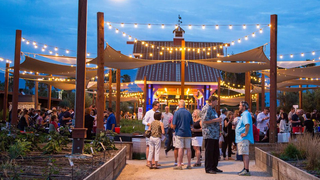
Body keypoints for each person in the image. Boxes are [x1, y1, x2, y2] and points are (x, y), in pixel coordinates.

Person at [201, 96, 223, 174]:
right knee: (209, 151)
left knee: (215, 151)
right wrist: (216, 120)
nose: (217, 103)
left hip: (215, 133)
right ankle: (208, 168)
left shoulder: (213, 109)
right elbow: (204, 121)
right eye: (216, 101)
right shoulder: (206, 108)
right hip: (209, 133)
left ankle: (214, 167)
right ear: (212, 101)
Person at [172, 100, 193, 170]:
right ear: (184, 105)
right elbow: (191, 124)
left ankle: (179, 164)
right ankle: (189, 164)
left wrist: (172, 127)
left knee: (180, 148)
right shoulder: (188, 113)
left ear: (179, 105)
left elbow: (174, 125)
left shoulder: (176, 113)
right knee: (188, 148)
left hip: (179, 133)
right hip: (188, 132)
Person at [236, 101, 254, 176]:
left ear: (244, 106)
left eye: (240, 105)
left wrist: (245, 133)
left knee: (245, 154)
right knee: (244, 154)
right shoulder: (244, 114)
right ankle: (245, 168)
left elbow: (247, 124)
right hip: (242, 138)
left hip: (244, 138)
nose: (239, 107)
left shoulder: (246, 114)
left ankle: (246, 170)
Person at [142, 101, 160, 166]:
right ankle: (148, 161)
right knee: (148, 146)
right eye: (158, 106)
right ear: (154, 106)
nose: (158, 107)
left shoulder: (158, 113)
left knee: (155, 147)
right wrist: (148, 124)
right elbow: (143, 121)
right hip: (149, 131)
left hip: (156, 132)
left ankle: (154, 161)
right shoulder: (149, 112)